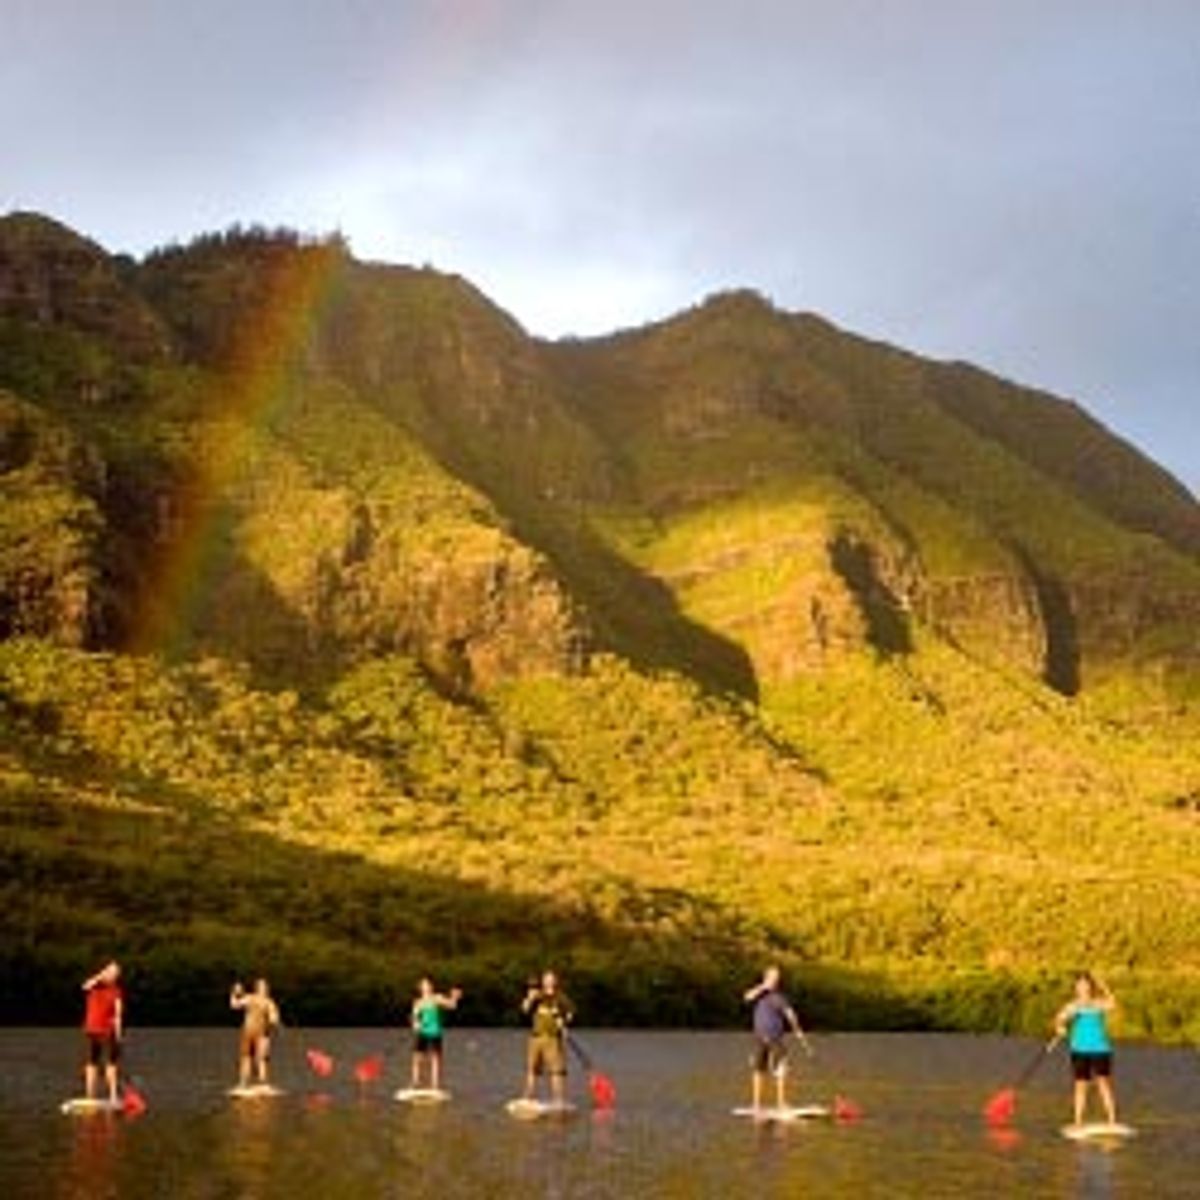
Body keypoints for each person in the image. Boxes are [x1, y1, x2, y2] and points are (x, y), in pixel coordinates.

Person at [1055, 971, 1118, 1126]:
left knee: (1103, 1083)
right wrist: (1060, 1027)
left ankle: (1112, 1120)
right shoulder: (1072, 1006)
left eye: (1086, 985)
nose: (1083, 988)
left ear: (1090, 987)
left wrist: (1104, 986)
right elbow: (1059, 1018)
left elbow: (1112, 1004)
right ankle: (1078, 1122)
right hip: (1079, 1049)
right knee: (1081, 1085)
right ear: (1076, 988)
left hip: (1100, 1049)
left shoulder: (1098, 1004)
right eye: (1080, 985)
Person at [744, 964, 809, 1110]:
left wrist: (798, 1031)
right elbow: (747, 997)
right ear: (766, 978)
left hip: (776, 1038)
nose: (775, 980)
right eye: (773, 977)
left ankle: (781, 1103)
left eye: (777, 978)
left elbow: (790, 1014)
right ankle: (756, 1105)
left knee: (781, 1068)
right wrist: (762, 986)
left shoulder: (781, 997)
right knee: (758, 1069)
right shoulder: (758, 994)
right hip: (759, 1037)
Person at [521, 970, 574, 1104]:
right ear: (543, 982)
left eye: (551, 979)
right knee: (532, 1069)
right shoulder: (537, 996)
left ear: (555, 981)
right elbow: (525, 1010)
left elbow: (570, 1014)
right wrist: (529, 998)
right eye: (546, 979)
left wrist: (563, 1021)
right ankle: (528, 1098)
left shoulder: (561, 998)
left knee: (556, 1071)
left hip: (552, 1039)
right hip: (536, 1037)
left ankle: (558, 1100)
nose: (549, 982)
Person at [82, 961, 124, 1103]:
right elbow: (85, 986)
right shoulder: (94, 985)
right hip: (92, 1029)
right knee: (91, 1062)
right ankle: (90, 1095)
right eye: (111, 972)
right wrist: (100, 976)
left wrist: (118, 1035)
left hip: (108, 1031)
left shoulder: (116, 991)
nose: (113, 975)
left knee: (111, 1064)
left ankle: (113, 1096)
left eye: (116, 973)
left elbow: (118, 1013)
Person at [410, 977, 462, 1090]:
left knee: (435, 1058)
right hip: (422, 1033)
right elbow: (414, 1018)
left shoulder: (437, 998)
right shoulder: (418, 1003)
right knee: (417, 1058)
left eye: (428, 985)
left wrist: (455, 997)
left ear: (432, 986)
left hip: (435, 1033)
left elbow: (452, 1006)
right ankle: (415, 1083)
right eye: (424, 985)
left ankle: (435, 1085)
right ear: (420, 988)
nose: (427, 987)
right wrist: (416, 1024)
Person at [230, 978, 281, 1088]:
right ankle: (244, 1083)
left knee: (260, 1058)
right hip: (249, 1032)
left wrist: (273, 1022)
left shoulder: (267, 1002)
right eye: (262, 987)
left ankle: (261, 1083)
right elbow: (234, 1005)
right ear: (257, 988)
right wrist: (234, 993)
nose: (264, 989)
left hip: (260, 1033)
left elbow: (273, 1019)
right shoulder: (252, 998)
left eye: (265, 987)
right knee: (246, 1057)